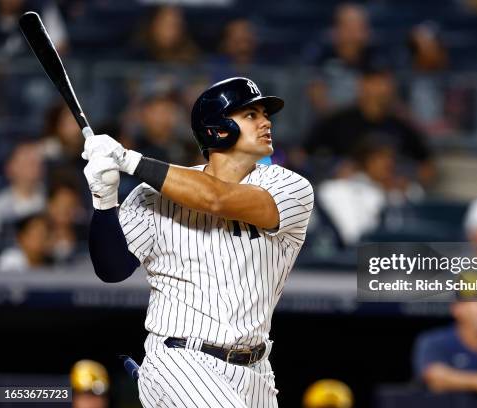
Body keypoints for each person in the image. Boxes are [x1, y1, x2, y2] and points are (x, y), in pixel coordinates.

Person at [82, 77, 314, 407]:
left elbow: (215, 198)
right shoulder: (151, 196)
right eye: (250, 115)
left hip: (257, 370)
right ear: (217, 131)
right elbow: (112, 269)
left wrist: (129, 160)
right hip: (180, 361)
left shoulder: (289, 186)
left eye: (265, 114)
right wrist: (104, 201)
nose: (265, 122)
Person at [305, 65, 436, 188]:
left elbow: (427, 167)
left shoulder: (401, 127)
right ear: (362, 85)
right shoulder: (337, 121)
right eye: (375, 82)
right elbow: (303, 157)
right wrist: (332, 172)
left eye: (385, 82)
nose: (381, 88)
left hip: (389, 195)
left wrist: (406, 178)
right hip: (345, 193)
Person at [0, 142, 45, 250]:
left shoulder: (51, 199)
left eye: (36, 162)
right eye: (27, 162)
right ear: (10, 168)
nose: (33, 166)